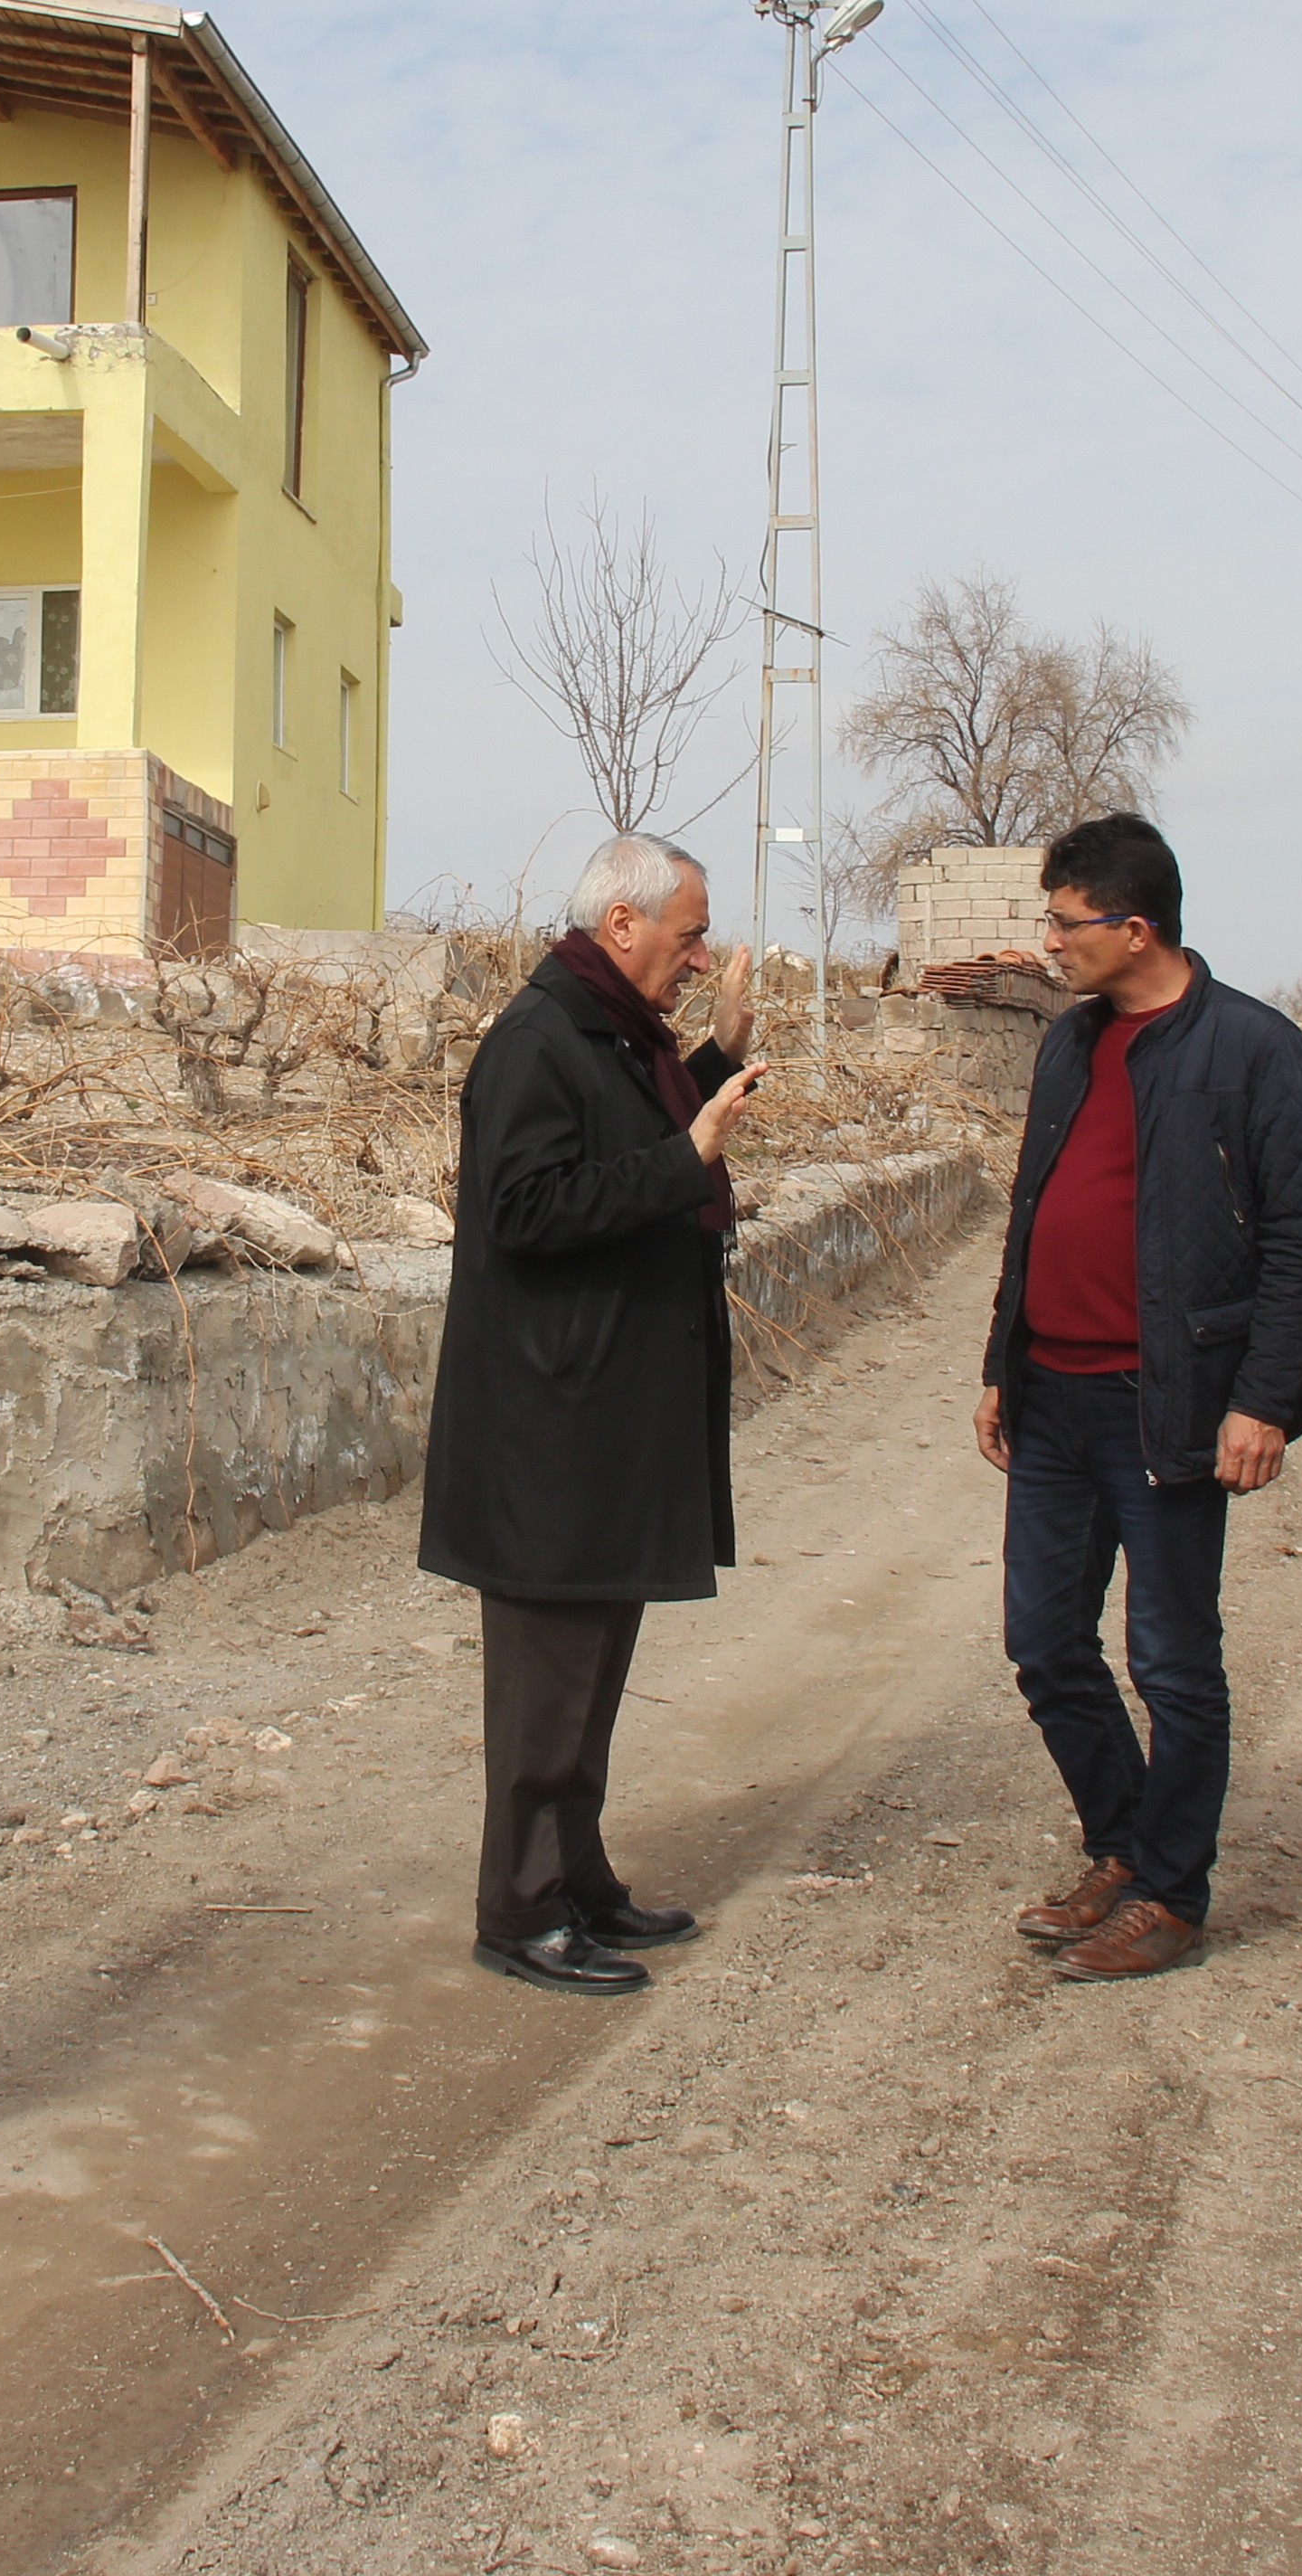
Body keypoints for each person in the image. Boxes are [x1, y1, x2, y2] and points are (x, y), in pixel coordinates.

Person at [973, 813, 1302, 1982]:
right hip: (1055, 1398)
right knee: (1043, 1644)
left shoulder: (1250, 1047)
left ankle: (1172, 1892)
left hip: (1165, 1402)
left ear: (1137, 929)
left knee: (1173, 1661)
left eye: (1066, 921)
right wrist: (1002, 1357)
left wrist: (1265, 1397)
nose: (1051, 941)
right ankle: (1127, 1845)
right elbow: (1034, 1209)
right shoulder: (1070, 1044)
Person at [418, 830, 766, 1997]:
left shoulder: (612, 1034)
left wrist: (713, 1067)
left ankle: (578, 1879)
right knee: (546, 1688)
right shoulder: (536, 1042)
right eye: (691, 929)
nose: (700, 949)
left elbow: (638, 1143)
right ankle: (518, 1909)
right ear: (623, 925)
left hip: (606, 1423)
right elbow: (528, 1212)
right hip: (548, 1434)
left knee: (593, 1676)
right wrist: (690, 1154)